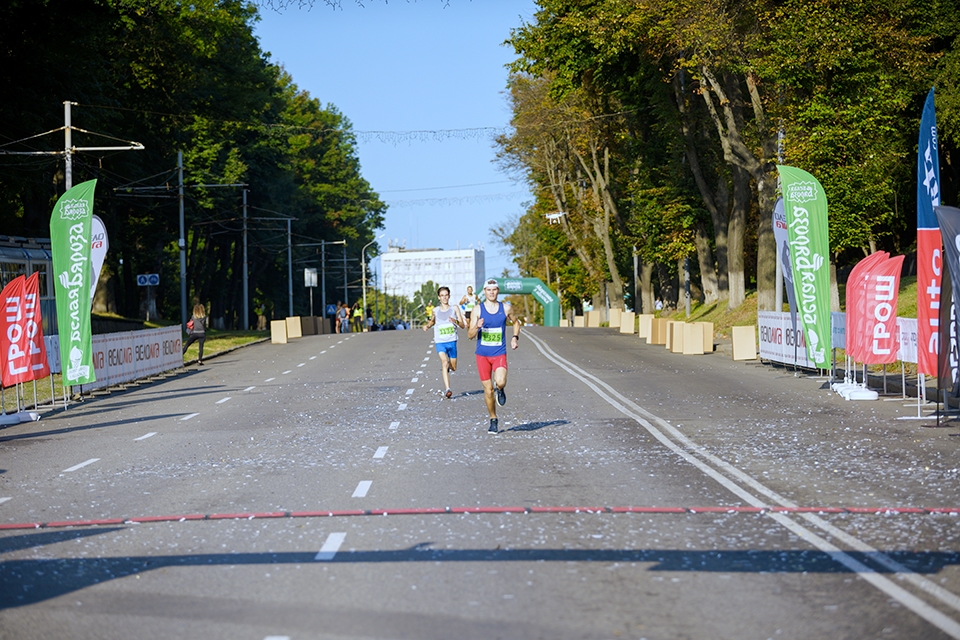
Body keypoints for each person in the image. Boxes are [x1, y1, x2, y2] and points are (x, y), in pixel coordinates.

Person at [468, 278, 520, 434]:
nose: (491, 292)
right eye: (488, 290)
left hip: (499, 353)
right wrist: (477, 327)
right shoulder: (477, 310)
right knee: (488, 390)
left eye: (494, 290)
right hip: (482, 356)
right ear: (484, 292)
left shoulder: (505, 308)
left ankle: (501, 389)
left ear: (498, 291)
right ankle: (493, 419)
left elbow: (516, 323)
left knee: (501, 382)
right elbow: (470, 335)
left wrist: (514, 337)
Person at [423, 286, 466, 399]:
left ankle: (446, 369)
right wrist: (427, 326)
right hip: (440, 342)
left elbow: (462, 325)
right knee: (444, 362)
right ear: (439, 297)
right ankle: (448, 389)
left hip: (452, 341)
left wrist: (455, 321)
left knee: (453, 367)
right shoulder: (435, 310)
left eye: (446, 295)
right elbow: (432, 321)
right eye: (442, 295)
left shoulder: (454, 308)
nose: (444, 297)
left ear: (449, 296)